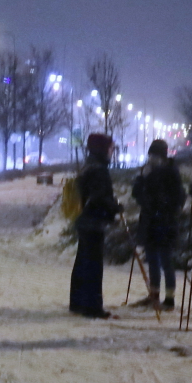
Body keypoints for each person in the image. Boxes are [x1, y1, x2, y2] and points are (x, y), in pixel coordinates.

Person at [130, 138, 185, 310]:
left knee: (166, 261)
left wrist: (165, 206)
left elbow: (179, 198)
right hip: (150, 222)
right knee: (152, 260)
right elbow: (137, 194)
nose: (152, 159)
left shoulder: (171, 173)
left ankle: (169, 300)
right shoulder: (147, 172)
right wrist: (141, 179)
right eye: (150, 155)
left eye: (155, 155)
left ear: (162, 156)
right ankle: (153, 295)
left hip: (165, 223)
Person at [69, 132, 119, 318]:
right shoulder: (99, 169)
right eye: (110, 148)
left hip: (85, 219)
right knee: (93, 265)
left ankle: (78, 301)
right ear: (102, 149)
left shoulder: (88, 166)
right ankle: (92, 306)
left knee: (83, 261)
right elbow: (99, 198)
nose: (112, 152)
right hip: (93, 221)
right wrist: (114, 207)